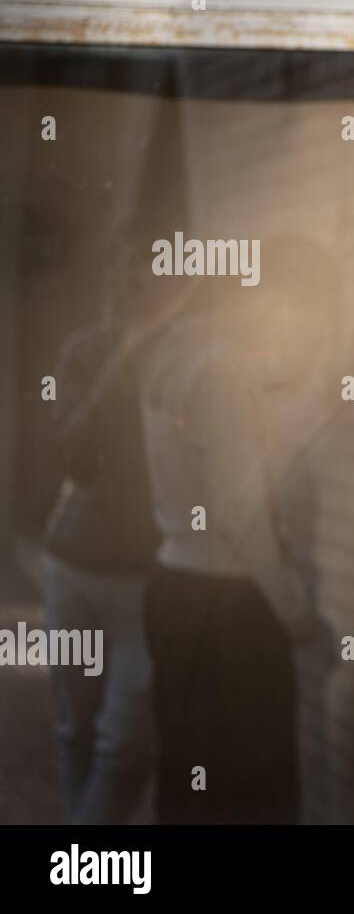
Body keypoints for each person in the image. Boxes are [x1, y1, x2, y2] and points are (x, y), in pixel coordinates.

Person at [138, 234, 338, 824]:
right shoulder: (223, 374)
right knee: (255, 797)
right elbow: (239, 513)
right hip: (229, 608)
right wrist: (293, 606)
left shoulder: (170, 355)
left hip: (174, 586)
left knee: (189, 783)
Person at [39, 276, 163, 824]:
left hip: (148, 575)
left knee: (124, 742)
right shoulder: (85, 351)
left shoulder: (183, 358)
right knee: (77, 727)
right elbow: (74, 454)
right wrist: (117, 371)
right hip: (74, 564)